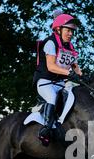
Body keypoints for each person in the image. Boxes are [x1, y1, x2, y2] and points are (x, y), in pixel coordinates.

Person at [33, 10, 83, 146]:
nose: (71, 34)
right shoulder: (50, 43)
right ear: (59, 29)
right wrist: (69, 74)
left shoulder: (70, 47)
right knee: (52, 98)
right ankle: (46, 130)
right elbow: (51, 67)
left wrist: (80, 74)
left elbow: (75, 66)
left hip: (60, 82)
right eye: (68, 30)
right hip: (45, 82)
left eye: (73, 31)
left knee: (76, 95)